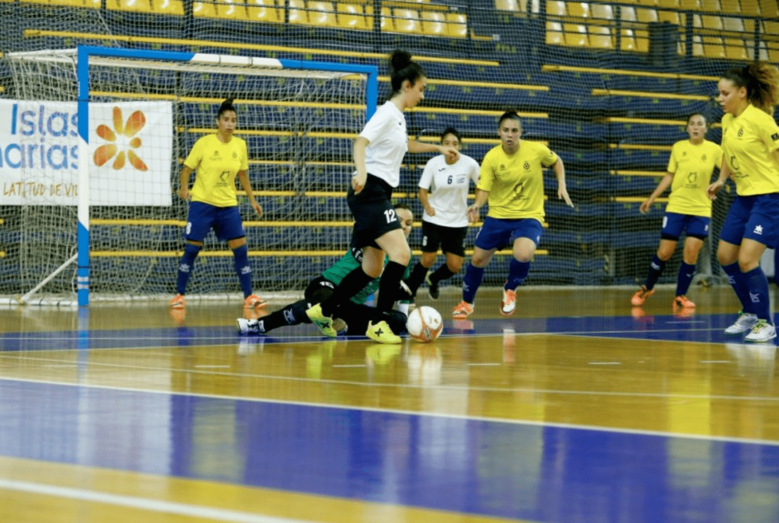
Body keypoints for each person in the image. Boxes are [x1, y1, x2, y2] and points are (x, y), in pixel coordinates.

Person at [305, 50, 459, 344]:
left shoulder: (398, 118)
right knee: (402, 254)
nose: (423, 95)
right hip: (371, 191)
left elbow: (406, 145)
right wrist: (362, 173)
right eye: (421, 89)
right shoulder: (387, 112)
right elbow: (360, 142)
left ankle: (324, 310)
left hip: (377, 193)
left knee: (372, 268)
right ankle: (379, 323)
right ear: (407, 86)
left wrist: (438, 149)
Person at [452, 110, 574, 319]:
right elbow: (484, 188)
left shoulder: (536, 150)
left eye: (514, 130)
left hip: (529, 215)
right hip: (498, 216)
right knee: (478, 259)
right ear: (499, 132)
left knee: (524, 254)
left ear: (521, 132)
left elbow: (556, 161)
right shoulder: (492, 157)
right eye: (506, 130)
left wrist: (561, 184)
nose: (510, 135)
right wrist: (477, 205)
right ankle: (467, 302)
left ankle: (510, 289)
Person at [237, 205, 415, 337]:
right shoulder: (371, 237)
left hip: (350, 305)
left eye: (409, 223)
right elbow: (370, 266)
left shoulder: (404, 256)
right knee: (316, 307)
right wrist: (389, 275)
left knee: (398, 321)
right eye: (398, 220)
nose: (404, 226)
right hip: (328, 287)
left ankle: (342, 326)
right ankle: (259, 325)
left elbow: (404, 295)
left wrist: (409, 321)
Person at [170, 98, 266, 310]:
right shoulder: (204, 143)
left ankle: (249, 296)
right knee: (192, 249)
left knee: (240, 249)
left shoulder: (240, 145)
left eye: (233, 120)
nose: (230, 124)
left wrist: (252, 200)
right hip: (202, 204)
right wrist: (184, 188)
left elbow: (243, 174)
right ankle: (179, 295)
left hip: (228, 206)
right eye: (226, 120)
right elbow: (186, 169)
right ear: (218, 122)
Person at [707, 62, 779, 343]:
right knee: (725, 257)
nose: (720, 99)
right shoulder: (727, 121)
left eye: (725, 94)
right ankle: (749, 311)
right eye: (719, 93)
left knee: (747, 259)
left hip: (769, 197)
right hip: (744, 197)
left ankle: (766, 323)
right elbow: (728, 152)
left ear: (742, 92)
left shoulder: (761, 120)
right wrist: (721, 179)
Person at [630, 113, 723, 311]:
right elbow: (669, 175)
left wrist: (718, 183)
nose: (696, 127)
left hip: (700, 209)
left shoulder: (714, 149)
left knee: (691, 255)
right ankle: (648, 288)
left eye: (700, 124)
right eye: (692, 124)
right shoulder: (678, 147)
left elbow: (727, 169)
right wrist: (652, 198)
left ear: (706, 128)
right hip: (677, 207)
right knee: (664, 252)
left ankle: (680, 296)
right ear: (687, 128)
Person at [405, 127, 480, 300]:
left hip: (458, 221)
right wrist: (427, 206)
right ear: (441, 146)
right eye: (447, 143)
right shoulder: (434, 163)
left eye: (455, 143)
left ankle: (434, 278)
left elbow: (481, 186)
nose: (451, 147)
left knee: (454, 266)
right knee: (428, 259)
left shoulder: (470, 164)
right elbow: (422, 190)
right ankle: (409, 292)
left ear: (460, 146)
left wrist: (476, 206)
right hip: (434, 219)